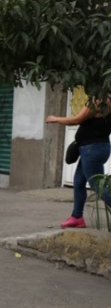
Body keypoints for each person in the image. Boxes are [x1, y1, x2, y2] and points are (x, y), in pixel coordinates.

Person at [46, 96, 111, 228]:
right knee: (79, 182)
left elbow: (77, 119)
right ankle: (77, 217)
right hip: (96, 147)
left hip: (91, 149)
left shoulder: (99, 99)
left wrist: (56, 119)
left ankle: (77, 217)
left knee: (98, 186)